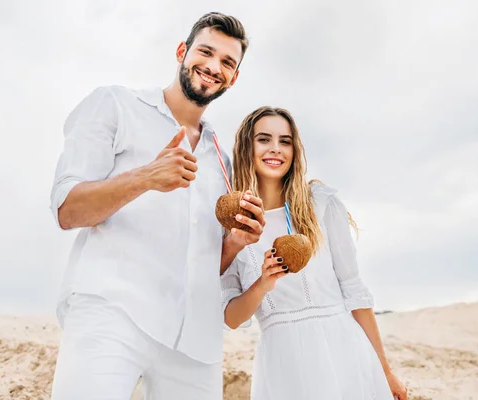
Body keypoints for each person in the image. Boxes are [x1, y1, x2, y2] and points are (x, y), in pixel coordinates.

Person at [49, 12, 264, 400]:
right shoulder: (115, 104)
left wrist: (234, 244)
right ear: (182, 51)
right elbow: (67, 210)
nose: (214, 66)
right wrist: (145, 177)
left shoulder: (223, 161)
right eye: (206, 52)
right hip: (112, 313)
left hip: (195, 341)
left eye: (228, 63)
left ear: (233, 77)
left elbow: (201, 262)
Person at [221, 106, 408, 400]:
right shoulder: (235, 227)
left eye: (285, 141)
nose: (276, 149)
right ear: (247, 147)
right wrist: (263, 284)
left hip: (344, 351)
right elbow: (231, 318)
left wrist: (384, 370)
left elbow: (354, 290)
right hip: (283, 364)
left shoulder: (320, 204)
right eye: (264, 139)